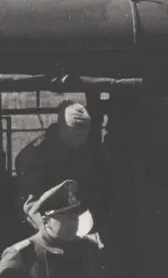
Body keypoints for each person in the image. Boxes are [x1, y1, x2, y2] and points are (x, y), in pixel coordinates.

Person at [15, 101, 109, 237]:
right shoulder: (36, 156)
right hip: (46, 228)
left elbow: (94, 192)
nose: (82, 140)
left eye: (85, 135)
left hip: (80, 225)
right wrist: (48, 233)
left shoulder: (86, 151)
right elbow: (29, 206)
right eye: (77, 135)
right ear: (62, 129)